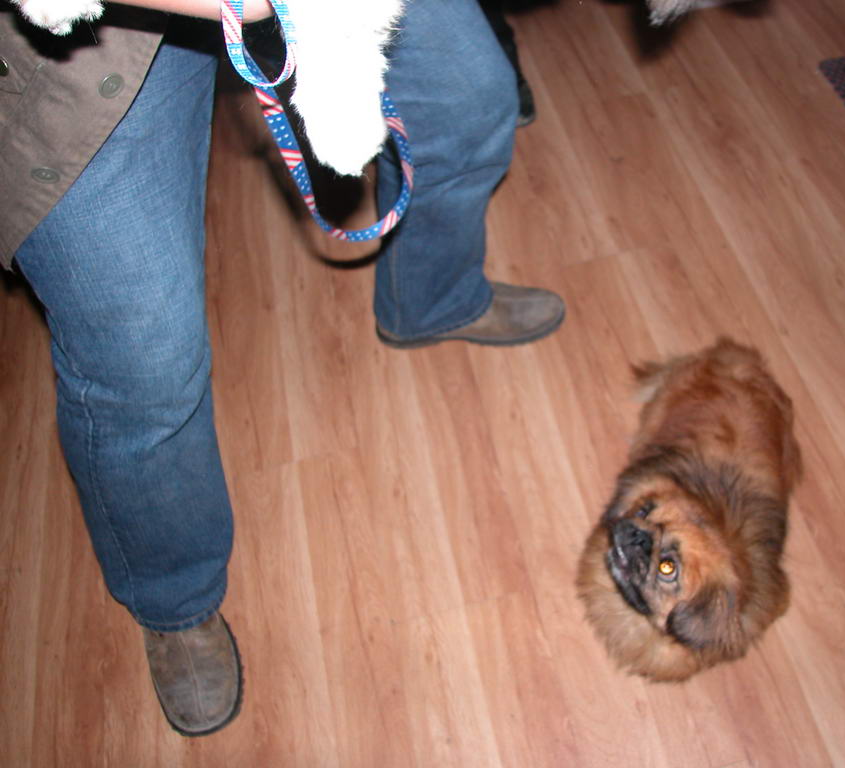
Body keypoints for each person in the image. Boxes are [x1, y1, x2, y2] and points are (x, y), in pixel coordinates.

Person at [0, 0, 564, 737]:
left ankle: (432, 297)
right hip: (89, 38)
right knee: (142, 353)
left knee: (469, 98)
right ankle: (176, 600)